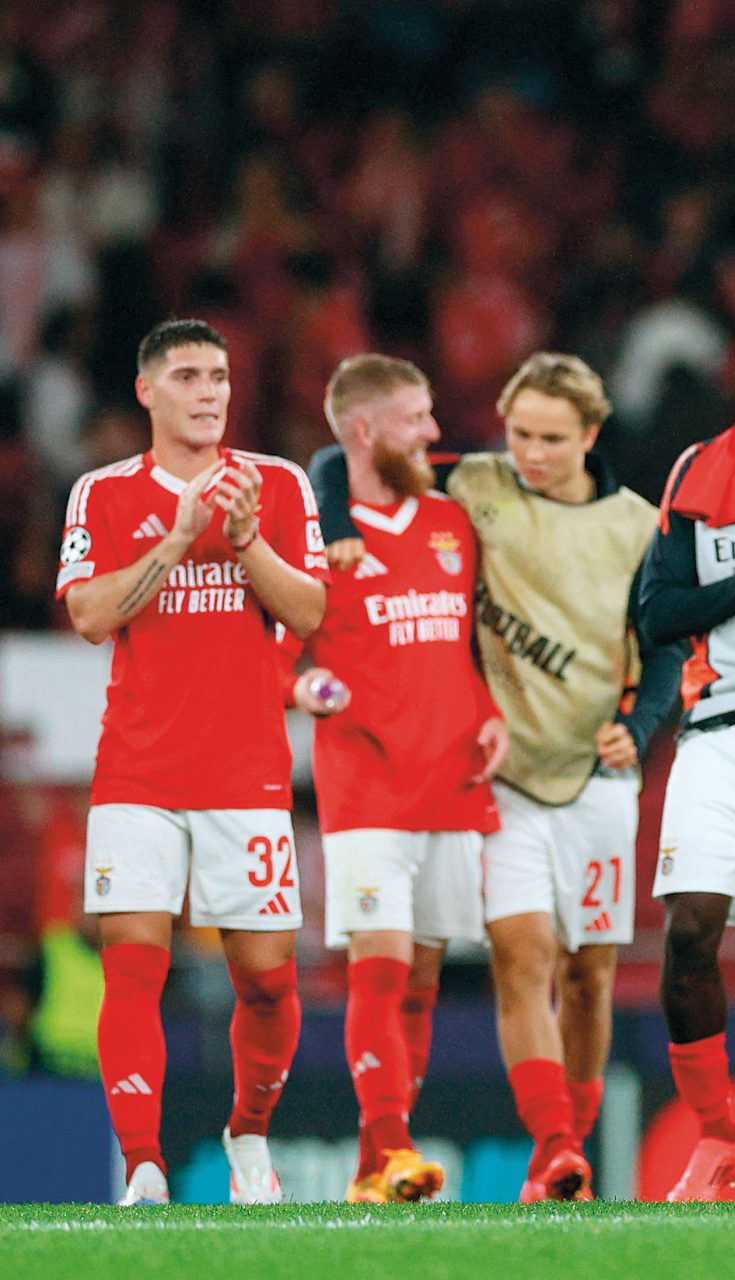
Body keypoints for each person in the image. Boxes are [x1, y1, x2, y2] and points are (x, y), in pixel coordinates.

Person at [310, 353, 684, 1202]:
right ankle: (553, 1147)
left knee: (589, 973)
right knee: (524, 956)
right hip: (500, 774)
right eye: (519, 433)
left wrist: (638, 722)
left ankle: (571, 1153)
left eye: (552, 438)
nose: (531, 454)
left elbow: (661, 639)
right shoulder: (476, 482)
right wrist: (333, 511)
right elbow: (344, 452)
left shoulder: (635, 523)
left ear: (592, 435)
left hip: (593, 771)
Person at [58, 319, 328, 1206]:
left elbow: (315, 614)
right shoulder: (101, 493)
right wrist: (175, 540)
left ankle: (248, 1135)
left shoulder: (280, 485)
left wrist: (245, 541)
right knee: (133, 964)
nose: (209, 391)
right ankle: (143, 1163)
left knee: (267, 980)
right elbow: (92, 616)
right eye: (187, 376)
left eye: (218, 375)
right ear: (147, 391)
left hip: (246, 771)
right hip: (134, 769)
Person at [282, 354, 508, 1203]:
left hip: (452, 783)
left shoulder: (453, 519)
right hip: (366, 788)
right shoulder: (314, 541)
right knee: (378, 970)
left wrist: (487, 709)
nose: (435, 431)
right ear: (364, 429)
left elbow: (463, 642)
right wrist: (303, 688)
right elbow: (269, 660)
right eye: (417, 417)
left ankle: (375, 1170)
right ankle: (393, 1145)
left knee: (419, 978)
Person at [633, 309, 735, 1201]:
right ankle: (717, 1137)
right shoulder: (703, 467)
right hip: (719, 723)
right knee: (690, 929)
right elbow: (658, 614)